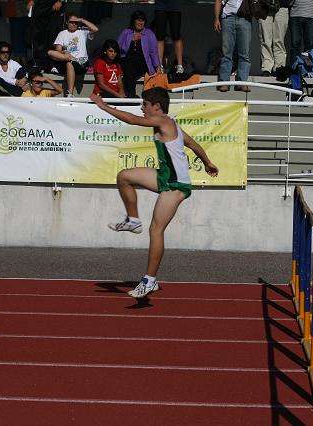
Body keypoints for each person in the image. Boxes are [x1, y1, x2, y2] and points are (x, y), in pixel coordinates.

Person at [89, 88, 219, 299]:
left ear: (157, 107)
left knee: (156, 230)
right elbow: (194, 145)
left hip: (176, 185)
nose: (142, 108)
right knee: (124, 176)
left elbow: (131, 120)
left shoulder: (164, 122)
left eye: (145, 105)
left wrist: (104, 106)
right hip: (164, 177)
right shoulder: (171, 124)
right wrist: (208, 163)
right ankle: (133, 220)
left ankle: (149, 280)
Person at [47, 13, 98, 97]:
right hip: (67, 59)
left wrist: (81, 20)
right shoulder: (62, 33)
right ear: (67, 22)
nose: (74, 24)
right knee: (50, 52)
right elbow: (58, 49)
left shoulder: (82, 31)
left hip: (81, 62)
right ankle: (71, 59)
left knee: (69, 62)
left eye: (76, 22)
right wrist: (64, 52)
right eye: (71, 22)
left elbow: (95, 29)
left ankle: (70, 93)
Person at [117, 10, 161, 98]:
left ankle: (130, 95)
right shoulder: (126, 32)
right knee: (129, 67)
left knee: (130, 68)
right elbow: (117, 46)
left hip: (142, 62)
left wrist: (157, 66)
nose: (140, 22)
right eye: (138, 20)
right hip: (126, 61)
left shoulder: (149, 34)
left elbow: (153, 51)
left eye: (143, 20)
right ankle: (131, 96)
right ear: (133, 21)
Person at [214, 0, 252, 92]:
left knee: (244, 54)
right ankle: (224, 83)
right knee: (226, 53)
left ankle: (242, 83)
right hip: (227, 18)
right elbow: (218, 1)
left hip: (244, 18)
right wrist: (216, 19)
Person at [30, 0, 65, 72]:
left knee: (54, 36)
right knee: (38, 36)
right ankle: (40, 64)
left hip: (55, 6)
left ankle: (53, 64)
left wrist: (60, 1)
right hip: (39, 7)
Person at [258, 1, 291, 77]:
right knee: (265, 40)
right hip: (264, 6)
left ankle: (279, 68)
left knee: (279, 40)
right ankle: (266, 68)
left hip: (282, 6)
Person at [154, 0, 184, 74]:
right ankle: (159, 66)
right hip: (160, 6)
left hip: (175, 6)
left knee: (176, 36)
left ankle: (180, 66)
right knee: (160, 37)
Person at [288, 0, 313, 68]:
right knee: (295, 44)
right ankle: (294, 68)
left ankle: (306, 69)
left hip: (311, 15)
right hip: (295, 14)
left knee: (309, 44)